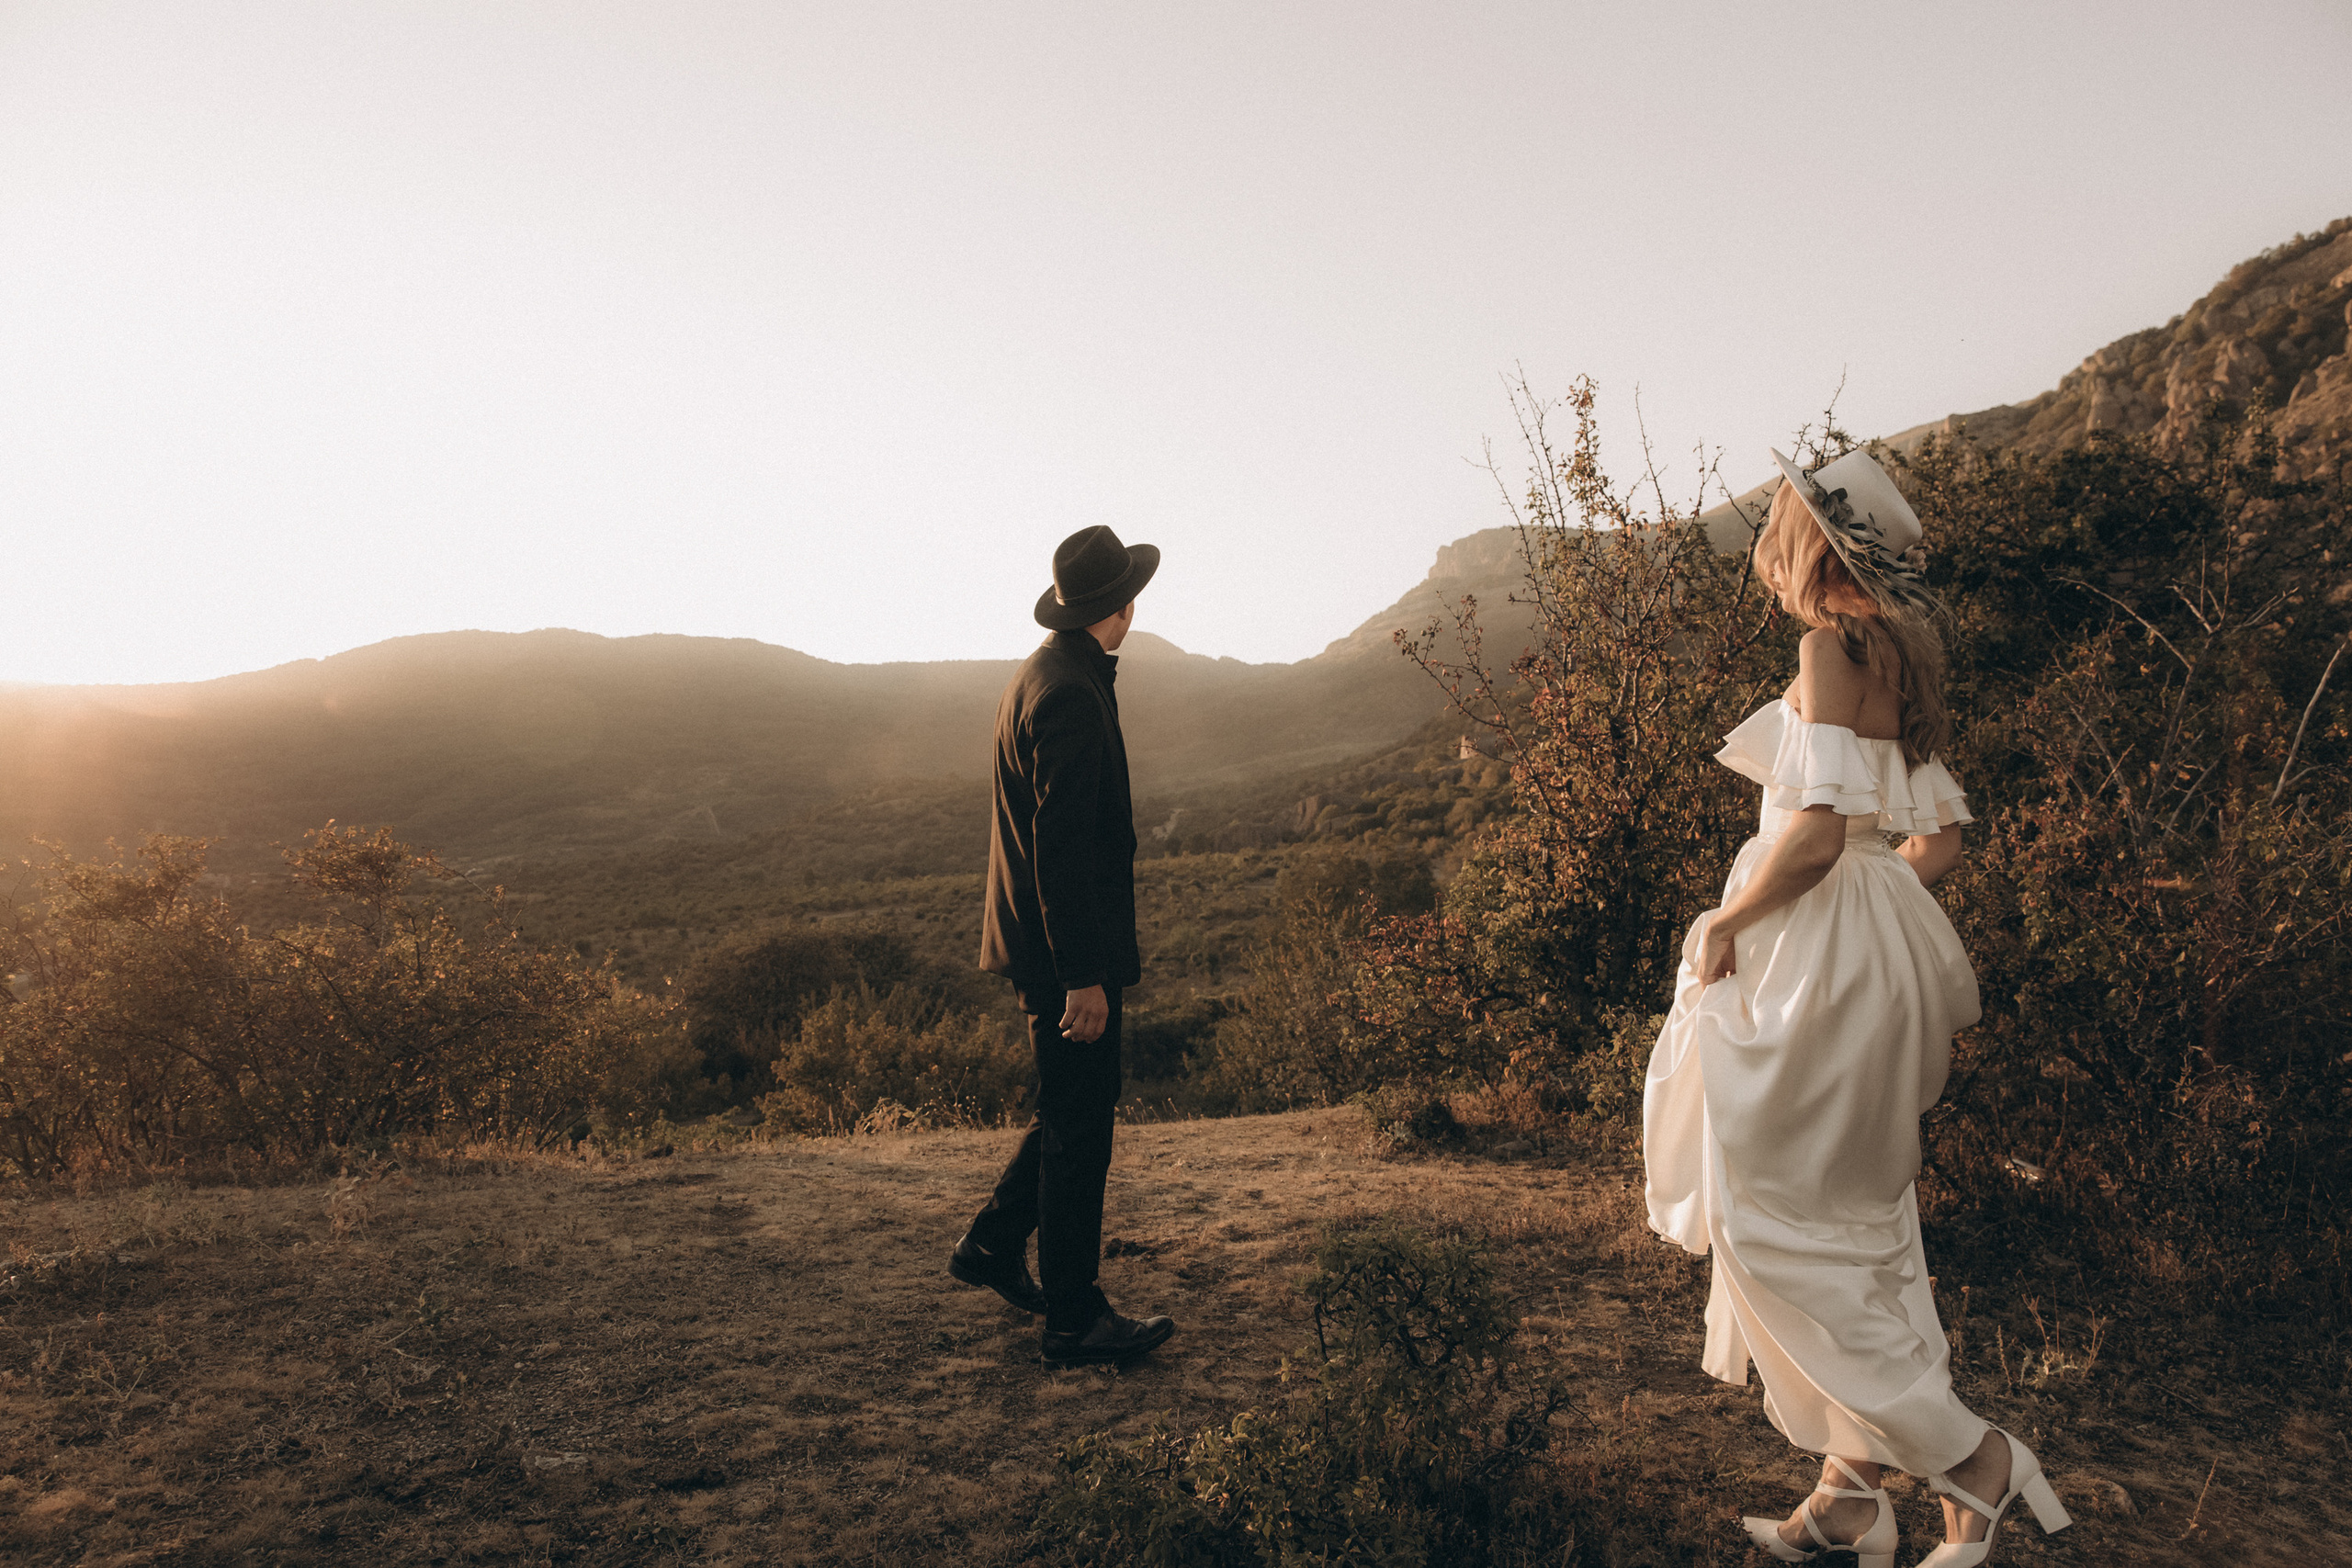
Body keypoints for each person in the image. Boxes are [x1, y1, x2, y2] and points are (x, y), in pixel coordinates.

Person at [1642, 450, 2074, 1567]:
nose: (1765, 541)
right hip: (1881, 956)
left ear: (1813, 541)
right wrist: (1872, 909)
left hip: (1822, 961)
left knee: (1763, 1206)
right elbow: (1937, 843)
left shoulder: (1825, 646)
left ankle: (1972, 1457)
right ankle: (1847, 1500)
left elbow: (1822, 829)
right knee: (1857, 1221)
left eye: (1777, 522)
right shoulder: (1903, 651)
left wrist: (1734, 922)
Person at [948, 524, 1177, 1367]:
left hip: (1042, 948)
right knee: (1082, 1131)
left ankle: (991, 1247)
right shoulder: (1073, 691)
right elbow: (1062, 846)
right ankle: (1074, 1319)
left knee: (1070, 1110)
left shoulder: (1044, 673)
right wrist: (1084, 975)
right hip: (1063, 959)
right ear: (1117, 606)